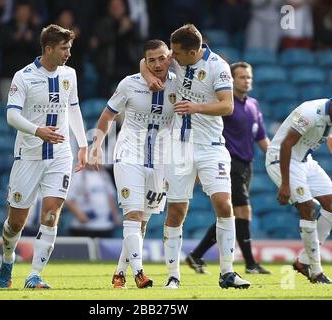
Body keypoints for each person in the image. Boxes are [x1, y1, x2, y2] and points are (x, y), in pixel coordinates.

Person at [140, 24, 250, 289]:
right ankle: (173, 276)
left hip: (211, 146)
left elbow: (227, 105)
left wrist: (195, 107)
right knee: (176, 210)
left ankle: (227, 273)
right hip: (179, 147)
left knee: (224, 205)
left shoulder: (218, 67)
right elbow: (144, 61)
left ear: (193, 51)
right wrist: (148, 77)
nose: (170, 58)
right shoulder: (177, 60)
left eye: (175, 53)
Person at [0, 24, 88, 289]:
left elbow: (73, 109)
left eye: (69, 48)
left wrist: (82, 144)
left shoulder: (69, 74)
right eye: (63, 48)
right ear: (48, 49)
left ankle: (34, 275)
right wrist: (38, 131)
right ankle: (7, 258)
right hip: (29, 156)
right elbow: (11, 115)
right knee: (16, 223)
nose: (68, 53)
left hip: (60, 155)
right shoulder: (23, 77)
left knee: (51, 213)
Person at [89, 39, 176, 289]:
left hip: (160, 160)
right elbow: (108, 115)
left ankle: (119, 274)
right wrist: (96, 146)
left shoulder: (179, 83)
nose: (157, 64)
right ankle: (139, 272)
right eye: (151, 60)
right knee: (133, 214)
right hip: (128, 154)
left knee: (143, 222)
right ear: (145, 62)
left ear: (169, 57)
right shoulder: (129, 84)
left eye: (162, 58)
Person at [185, 62, 271, 275]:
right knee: (242, 211)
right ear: (231, 80)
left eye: (248, 76)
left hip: (246, 165)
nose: (246, 80)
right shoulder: (224, 105)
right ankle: (250, 264)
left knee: (231, 214)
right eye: (241, 77)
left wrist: (275, 159)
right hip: (228, 162)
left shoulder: (254, 105)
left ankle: (196, 255)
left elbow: (260, 136)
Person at [265, 98, 332, 284]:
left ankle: (303, 261)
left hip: (304, 160)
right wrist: (285, 184)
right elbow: (286, 144)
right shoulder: (310, 112)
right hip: (281, 159)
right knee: (308, 208)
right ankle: (316, 271)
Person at [65, 167, 120, 237]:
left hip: (105, 226)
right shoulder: (77, 173)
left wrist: (115, 215)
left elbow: (110, 197)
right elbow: (68, 199)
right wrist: (80, 215)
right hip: (84, 228)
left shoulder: (104, 174)